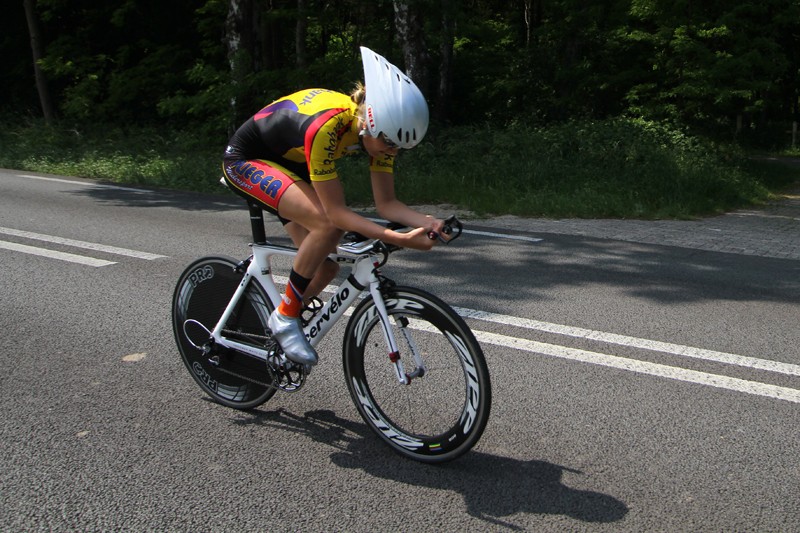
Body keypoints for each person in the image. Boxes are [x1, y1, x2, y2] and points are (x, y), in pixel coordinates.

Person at [221, 46, 449, 368]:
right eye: (390, 143)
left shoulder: (378, 132)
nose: (393, 152)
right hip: (248, 159)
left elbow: (387, 204)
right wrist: (399, 239)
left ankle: (279, 328)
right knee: (328, 227)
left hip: (292, 163)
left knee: (325, 267)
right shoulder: (329, 127)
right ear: (371, 124)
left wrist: (429, 222)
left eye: (400, 146)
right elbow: (337, 216)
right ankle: (285, 317)